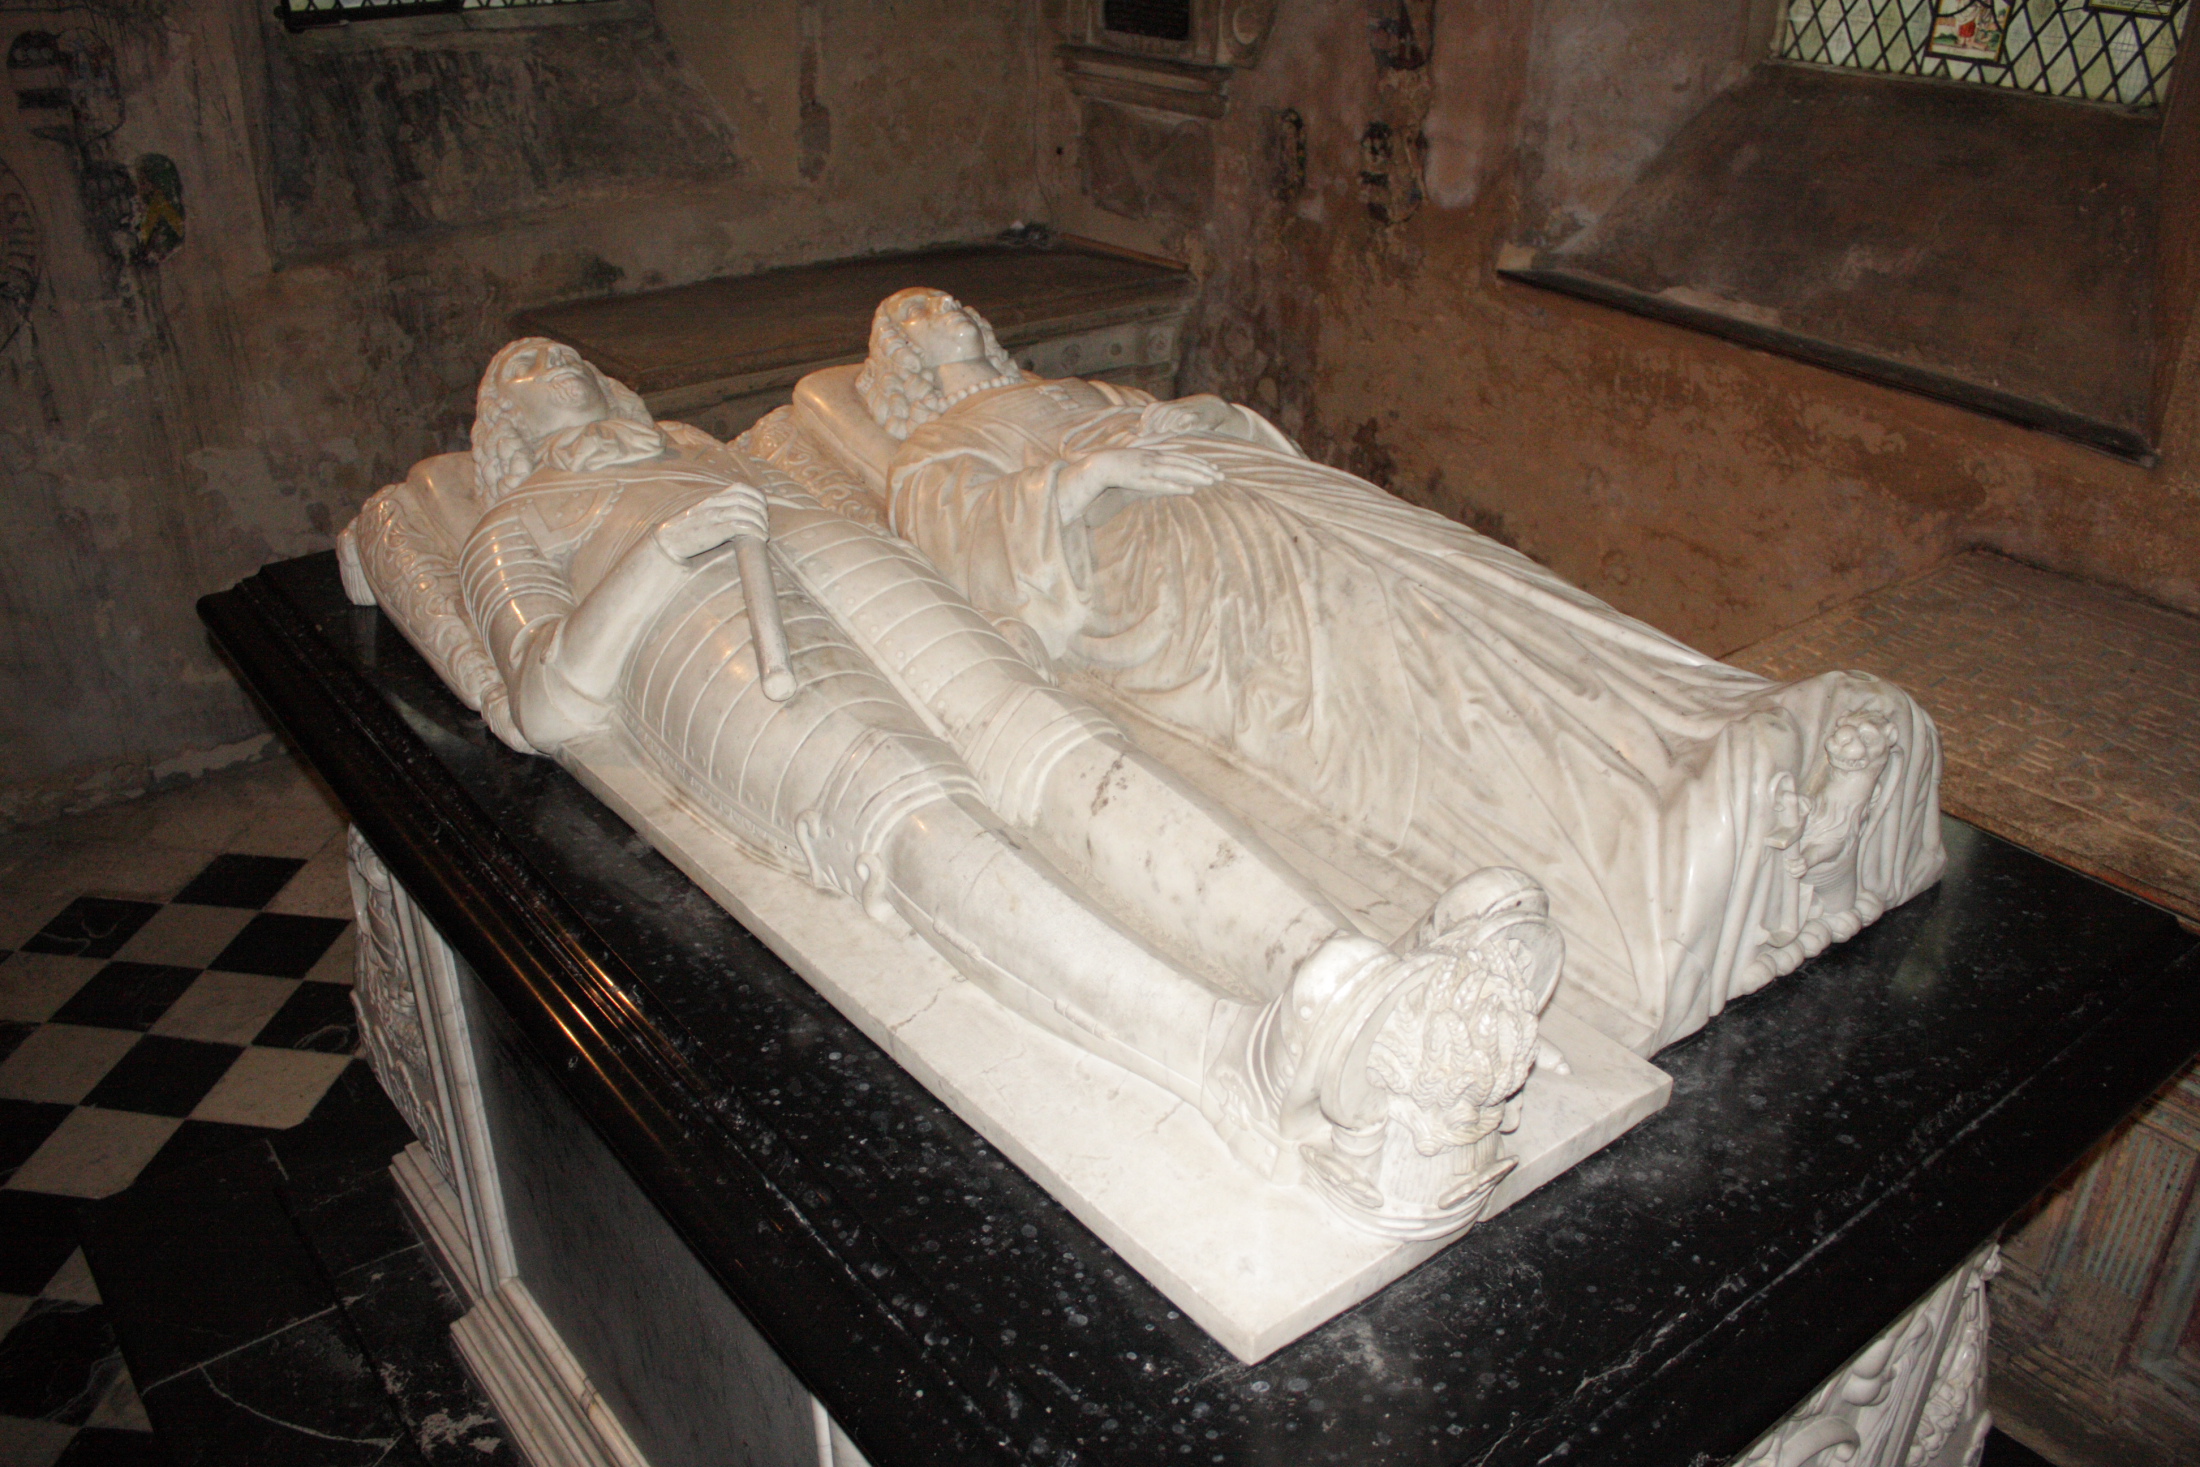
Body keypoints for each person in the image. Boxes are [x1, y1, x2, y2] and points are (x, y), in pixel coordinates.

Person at [339, 338, 1567, 1240]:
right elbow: (548, 702)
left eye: (569, 363)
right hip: (694, 635)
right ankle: (1233, 1059)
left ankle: (1343, 976)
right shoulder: (517, 520)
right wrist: (661, 550)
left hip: (829, 561)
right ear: (505, 433)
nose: (552, 368)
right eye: (520, 377)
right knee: (911, 813)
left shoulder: (703, 448)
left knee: (1046, 746)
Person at [820, 288, 1945, 1056]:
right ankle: (1641, 852)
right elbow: (959, 556)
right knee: (1369, 649)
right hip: (1143, 569)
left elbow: (1228, 428)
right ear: (905, 365)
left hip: (1264, 498)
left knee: (1466, 583)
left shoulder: (1094, 390)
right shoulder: (932, 449)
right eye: (917, 313)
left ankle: (1707, 729)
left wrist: (1174, 433)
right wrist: (1078, 480)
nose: (947, 311)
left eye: (949, 299)